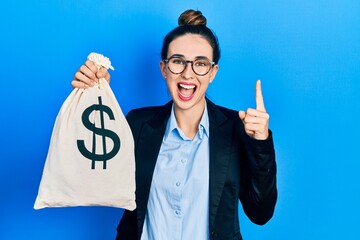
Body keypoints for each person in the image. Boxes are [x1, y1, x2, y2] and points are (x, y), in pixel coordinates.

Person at [72, 9, 277, 240]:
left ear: (212, 72)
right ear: (164, 69)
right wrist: (95, 97)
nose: (188, 74)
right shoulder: (137, 124)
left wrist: (261, 143)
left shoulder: (237, 128)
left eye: (200, 64)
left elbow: (260, 213)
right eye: (178, 62)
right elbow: (95, 178)